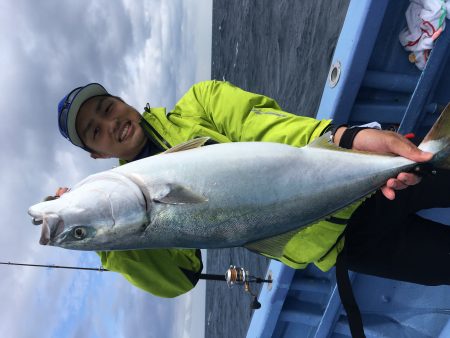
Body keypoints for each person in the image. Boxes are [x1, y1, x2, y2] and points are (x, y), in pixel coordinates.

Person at [56, 80, 450, 305]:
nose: (111, 123)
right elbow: (179, 277)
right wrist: (101, 239)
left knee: (434, 160)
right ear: (97, 154)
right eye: (95, 130)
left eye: (107, 108)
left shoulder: (201, 102)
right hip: (347, 247)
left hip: (368, 183)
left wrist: (347, 138)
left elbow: (271, 130)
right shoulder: (130, 225)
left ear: (122, 100)